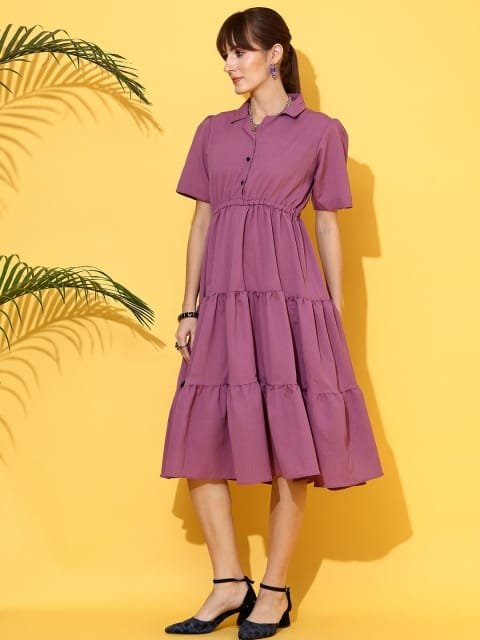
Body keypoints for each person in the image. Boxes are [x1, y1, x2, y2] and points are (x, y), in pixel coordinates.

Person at [161, 7, 384, 639]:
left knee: (291, 438)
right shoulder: (213, 131)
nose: (230, 66)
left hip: (291, 299)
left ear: (275, 54)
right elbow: (202, 222)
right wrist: (188, 307)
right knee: (200, 435)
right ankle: (229, 581)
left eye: (240, 52)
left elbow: (328, 225)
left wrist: (333, 312)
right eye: (225, 55)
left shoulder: (321, 132)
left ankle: (276, 588)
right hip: (222, 300)